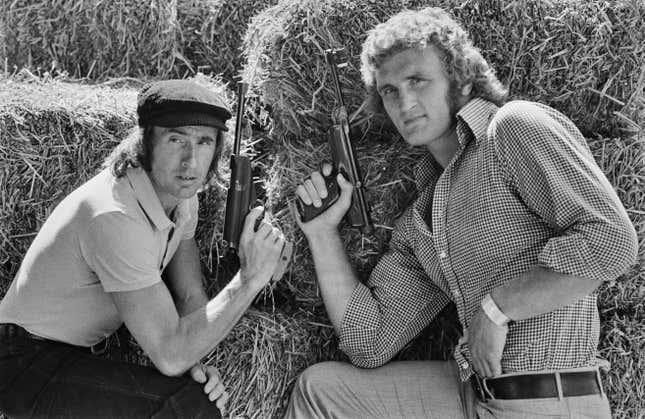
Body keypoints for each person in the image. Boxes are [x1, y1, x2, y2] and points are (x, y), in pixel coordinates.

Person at [286, 7, 638, 419]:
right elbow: (369, 341)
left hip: (543, 398)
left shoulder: (510, 130)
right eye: (389, 91)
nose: (404, 102)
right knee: (321, 390)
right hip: (474, 396)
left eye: (417, 80)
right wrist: (322, 233)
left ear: (462, 79)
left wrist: (496, 309)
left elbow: (612, 241)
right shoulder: (423, 214)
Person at [0, 79, 288, 418]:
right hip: (21, 361)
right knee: (188, 409)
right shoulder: (114, 216)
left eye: (204, 142)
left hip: (79, 353)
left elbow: (189, 295)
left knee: (195, 395)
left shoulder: (181, 197)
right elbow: (168, 355)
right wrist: (250, 278)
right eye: (175, 139)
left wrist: (193, 364)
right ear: (146, 142)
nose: (190, 161)